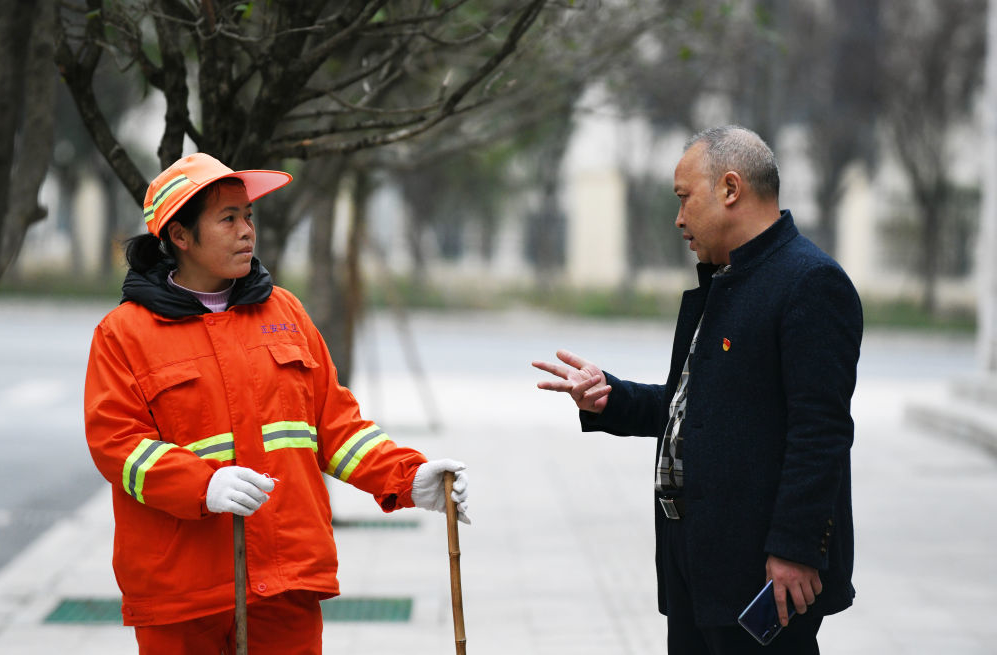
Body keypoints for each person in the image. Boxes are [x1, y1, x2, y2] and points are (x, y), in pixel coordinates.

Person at [84, 152, 469, 655]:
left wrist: (407, 477)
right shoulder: (124, 335)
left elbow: (337, 426)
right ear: (179, 236)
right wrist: (202, 484)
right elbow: (117, 446)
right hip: (182, 591)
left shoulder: (284, 312)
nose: (248, 230)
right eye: (228, 218)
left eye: (249, 216)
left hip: (286, 581)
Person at [532, 125, 862, 654]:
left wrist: (794, 548)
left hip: (764, 572)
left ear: (731, 189)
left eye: (685, 199)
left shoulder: (809, 283)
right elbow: (698, 408)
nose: (679, 219)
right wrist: (609, 397)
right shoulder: (727, 279)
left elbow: (820, 432)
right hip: (699, 566)